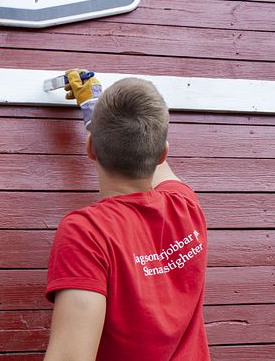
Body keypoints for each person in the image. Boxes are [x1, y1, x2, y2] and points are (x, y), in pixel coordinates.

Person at [44, 71, 210, 360]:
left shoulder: (87, 232)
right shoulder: (185, 205)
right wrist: (98, 114)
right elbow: (151, 152)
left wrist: (96, 115)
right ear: (163, 153)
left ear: (90, 148)